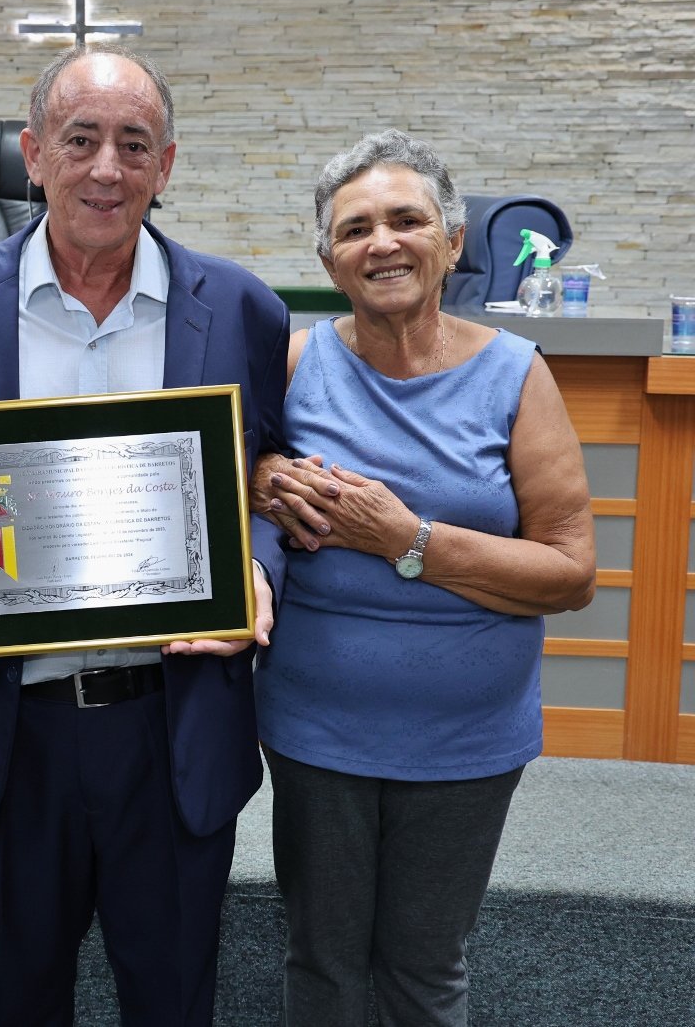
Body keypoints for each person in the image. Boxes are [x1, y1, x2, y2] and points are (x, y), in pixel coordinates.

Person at [0, 44, 290, 1025]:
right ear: (32, 153)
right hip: (11, 726)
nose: (107, 168)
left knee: (173, 1000)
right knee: (22, 995)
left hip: (173, 723)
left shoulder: (244, 309)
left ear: (165, 165)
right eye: (80, 139)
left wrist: (255, 570)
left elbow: (264, 480)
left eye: (134, 144)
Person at [250, 128, 596, 1026]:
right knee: (321, 959)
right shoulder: (292, 363)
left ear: (452, 240)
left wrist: (406, 541)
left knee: (425, 966)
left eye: (407, 220)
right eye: (355, 228)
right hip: (316, 730)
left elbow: (569, 572)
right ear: (329, 260)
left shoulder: (517, 375)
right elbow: (234, 478)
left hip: (466, 739)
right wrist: (258, 475)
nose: (384, 243)